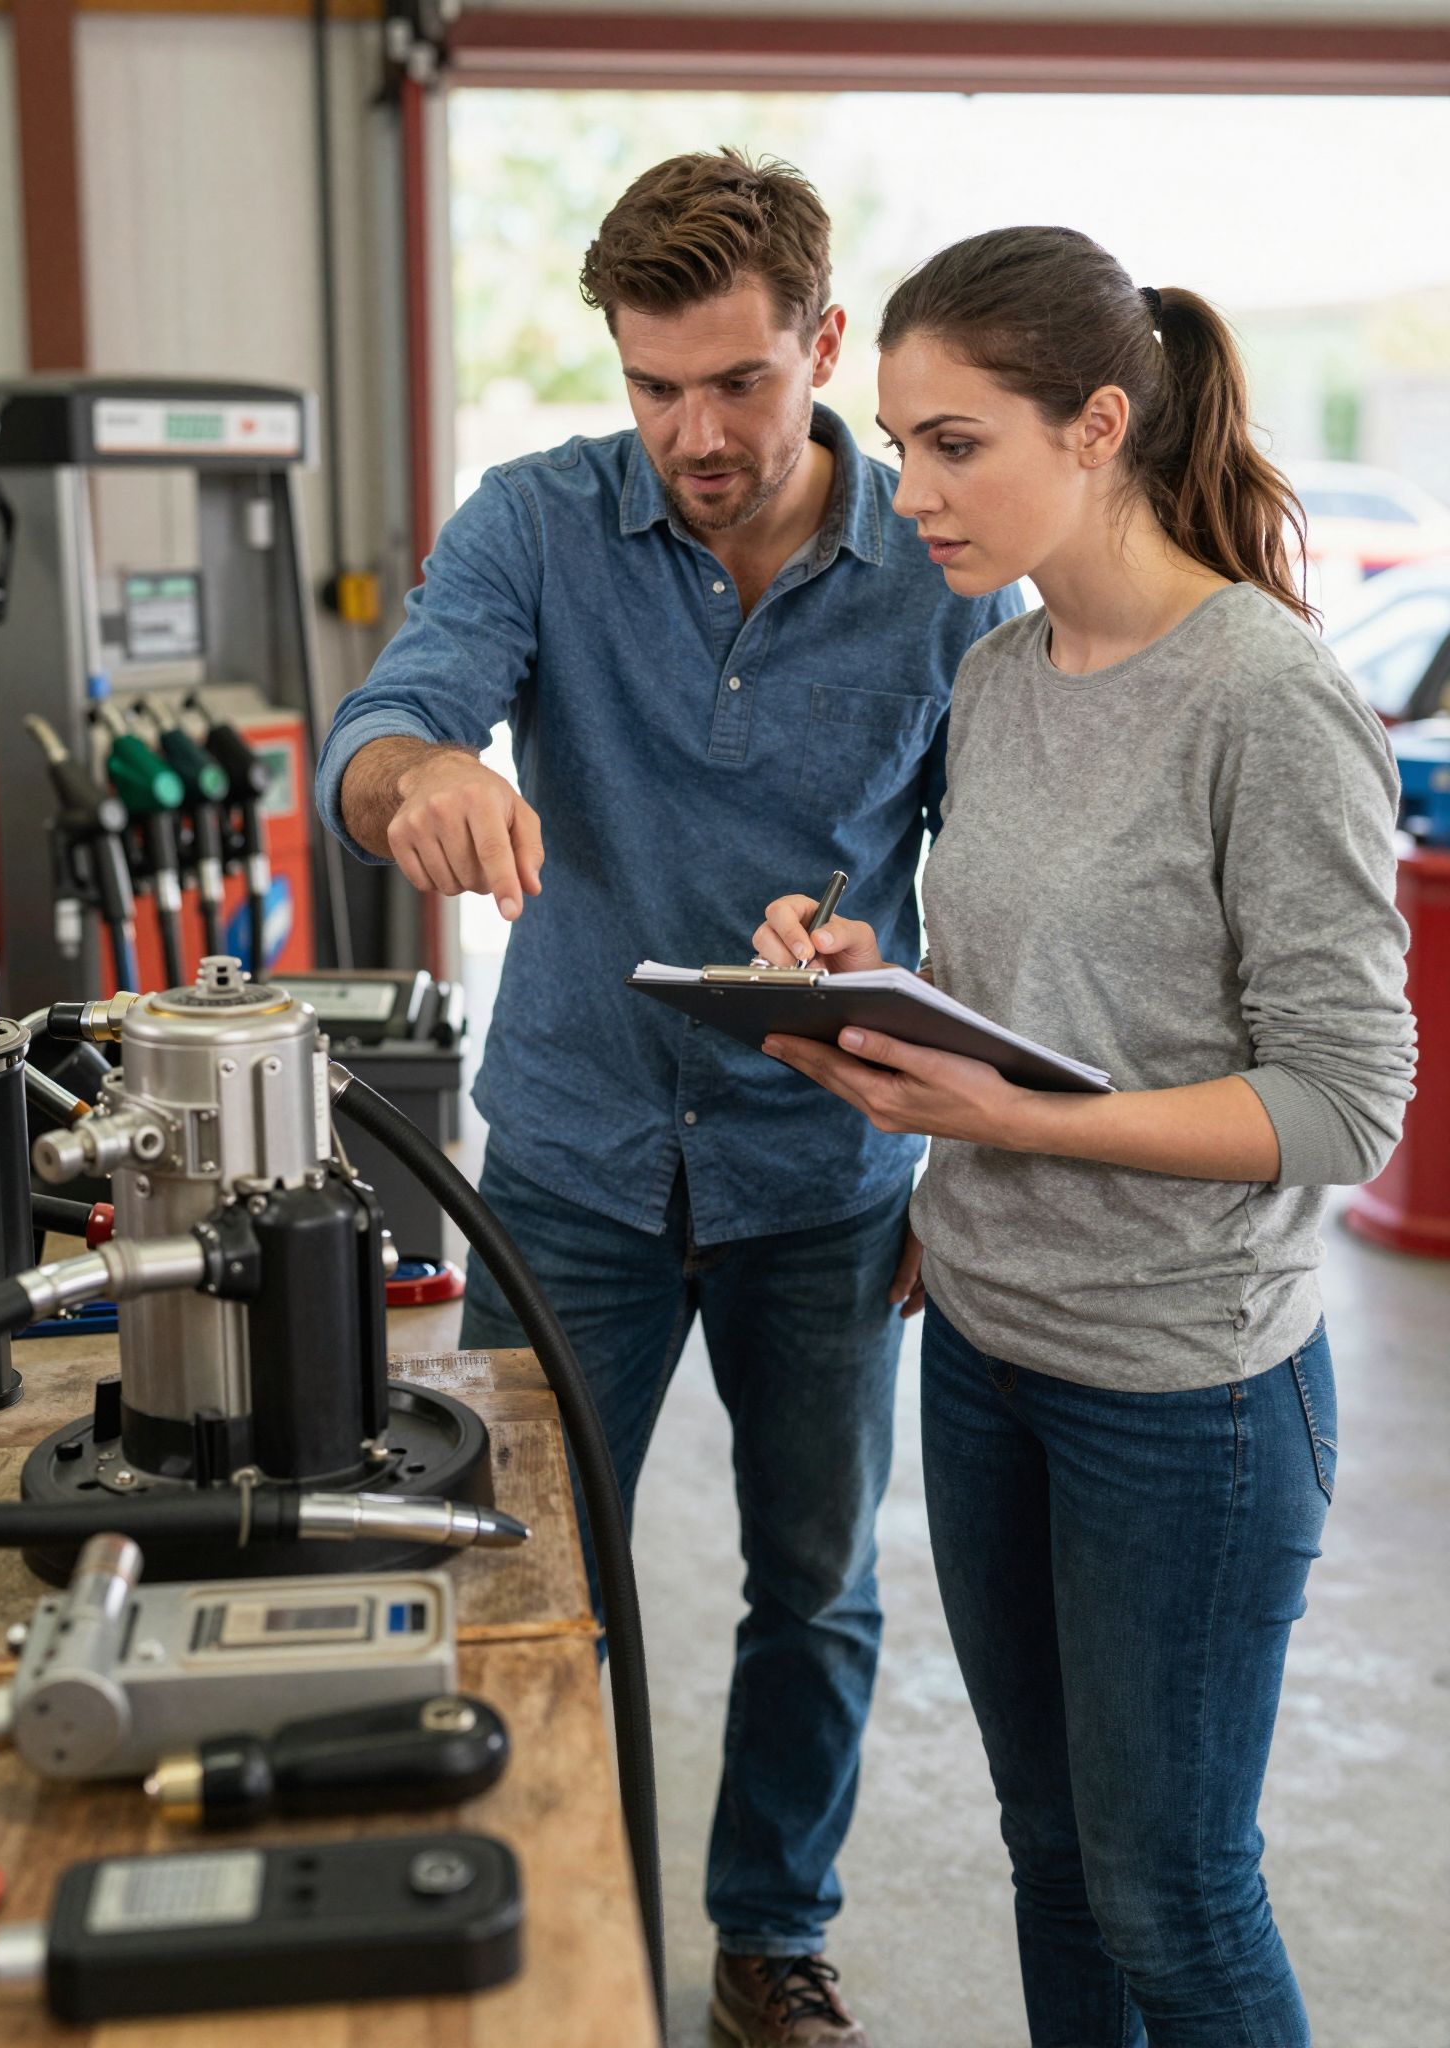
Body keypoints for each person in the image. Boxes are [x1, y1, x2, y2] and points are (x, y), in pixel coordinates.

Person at [315, 152, 1021, 2046]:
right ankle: (515, 1905)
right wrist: (420, 783)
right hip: (570, 1166)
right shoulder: (538, 525)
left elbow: (990, 905)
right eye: (650, 386)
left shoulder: (949, 580)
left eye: (736, 383)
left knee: (815, 1590)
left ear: (824, 343)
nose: (691, 434)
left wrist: (894, 988)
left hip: (824, 1182)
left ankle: (767, 1941)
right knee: (511, 1565)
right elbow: (389, 726)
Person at [753, 226, 1415, 2048]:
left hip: (1180, 1396)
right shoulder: (1004, 679)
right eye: (896, 445)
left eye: (954, 444)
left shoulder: (1268, 702)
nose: (910, 495)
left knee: (1173, 1894)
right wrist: (878, 983)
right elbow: (1046, 985)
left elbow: (1348, 1101)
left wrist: (1019, 1116)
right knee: (1050, 1855)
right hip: (984, 1345)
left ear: (1101, 424)